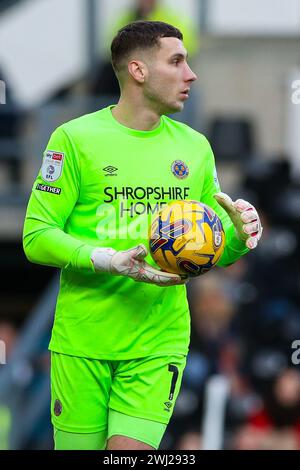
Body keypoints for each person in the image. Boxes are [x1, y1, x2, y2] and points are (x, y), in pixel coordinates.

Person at [22, 21, 263, 450]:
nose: (191, 74)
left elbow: (207, 248)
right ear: (138, 71)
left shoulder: (195, 148)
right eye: (176, 61)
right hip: (84, 341)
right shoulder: (74, 140)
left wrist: (240, 235)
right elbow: (36, 237)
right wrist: (107, 260)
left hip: (158, 341)